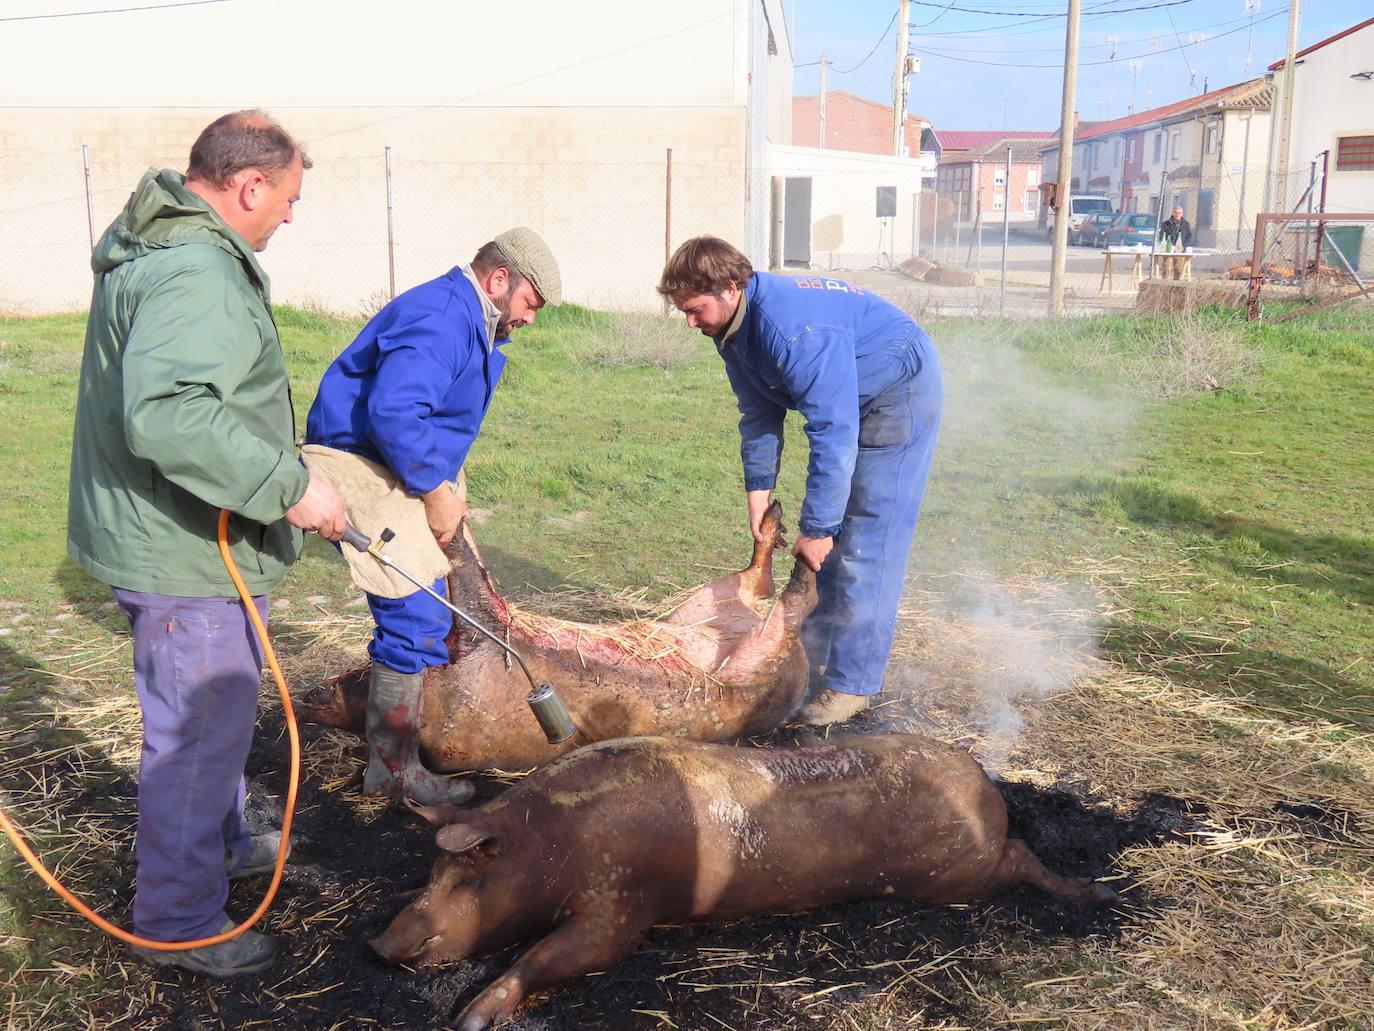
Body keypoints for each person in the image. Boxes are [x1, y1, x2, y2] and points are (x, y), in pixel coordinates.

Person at [67, 111, 347, 976]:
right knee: (193, 735)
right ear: (248, 185)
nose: (291, 216)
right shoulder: (195, 272)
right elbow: (171, 415)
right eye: (289, 198)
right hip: (184, 550)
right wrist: (292, 488)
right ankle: (181, 920)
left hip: (189, 537)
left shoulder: (169, 251)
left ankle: (221, 843)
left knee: (217, 710)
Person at [303, 228, 560, 805]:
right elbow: (395, 413)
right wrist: (433, 490)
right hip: (364, 467)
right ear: (500, 280)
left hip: (396, 465)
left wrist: (447, 485)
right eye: (529, 304)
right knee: (415, 613)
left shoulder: (466, 316)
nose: (531, 319)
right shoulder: (443, 316)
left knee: (421, 612)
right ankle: (393, 772)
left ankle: (394, 760)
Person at [657, 238, 942, 726]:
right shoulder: (730, 329)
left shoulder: (793, 331)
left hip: (896, 391)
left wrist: (818, 526)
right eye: (683, 310)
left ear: (730, 288)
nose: (689, 321)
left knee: (865, 538)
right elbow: (759, 412)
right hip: (847, 399)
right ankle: (814, 657)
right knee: (829, 543)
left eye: (694, 309)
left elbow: (833, 432)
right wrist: (758, 492)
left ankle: (852, 685)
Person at [1158, 206, 1194, 279]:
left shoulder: (1185, 224)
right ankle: (1164, 284)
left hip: (1180, 250)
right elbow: (1161, 236)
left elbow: (1189, 236)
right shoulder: (1166, 224)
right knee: (1167, 268)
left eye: (1179, 213)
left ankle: (1176, 286)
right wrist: (1167, 244)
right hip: (1169, 249)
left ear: (1182, 214)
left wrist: (1185, 245)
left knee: (1178, 270)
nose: (1177, 215)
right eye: (1176, 213)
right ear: (1173, 213)